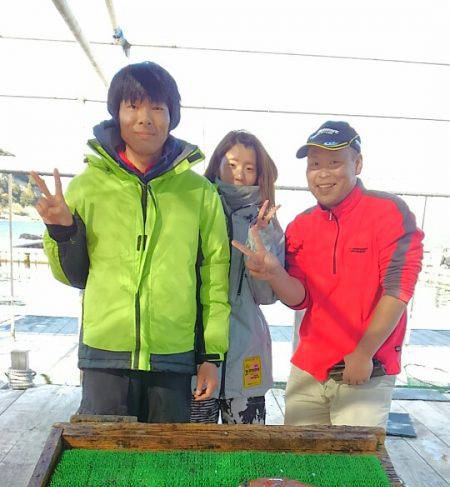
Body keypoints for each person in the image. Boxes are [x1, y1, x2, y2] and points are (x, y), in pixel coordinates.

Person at [32, 62, 230, 423]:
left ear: (172, 117)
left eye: (157, 108)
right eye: (133, 106)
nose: (145, 118)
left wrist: (211, 356)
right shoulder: (87, 186)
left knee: (165, 464)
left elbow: (215, 276)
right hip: (104, 352)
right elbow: (73, 276)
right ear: (116, 113)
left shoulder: (199, 193)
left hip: (173, 355)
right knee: (102, 461)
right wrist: (62, 231)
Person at [232, 121, 423, 429]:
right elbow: (300, 298)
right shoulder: (302, 225)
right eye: (314, 165)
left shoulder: (389, 211)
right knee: (298, 464)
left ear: (357, 164)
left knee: (353, 469)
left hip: (366, 369)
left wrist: (363, 353)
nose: (322, 173)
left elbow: (398, 290)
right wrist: (273, 273)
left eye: (335, 163)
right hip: (309, 369)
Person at [190, 131, 284, 425]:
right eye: (231, 164)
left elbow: (267, 296)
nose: (239, 174)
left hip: (247, 352)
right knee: (191, 452)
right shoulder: (194, 209)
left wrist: (262, 240)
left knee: (247, 450)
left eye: (249, 167)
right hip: (195, 352)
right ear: (216, 165)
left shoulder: (267, 221)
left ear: (259, 172)